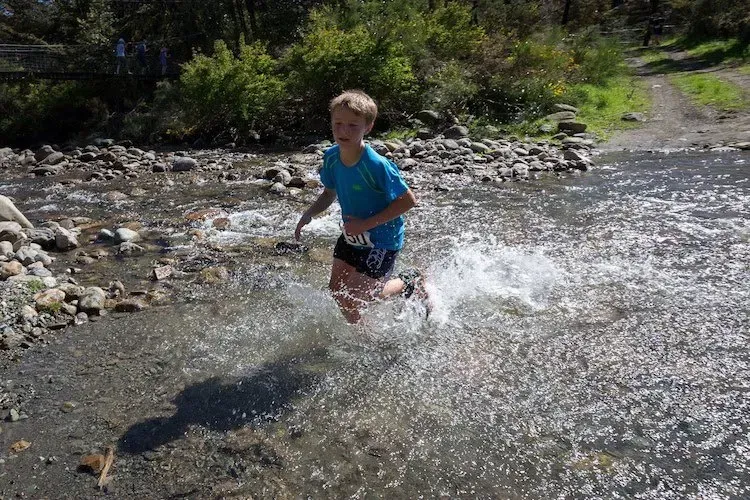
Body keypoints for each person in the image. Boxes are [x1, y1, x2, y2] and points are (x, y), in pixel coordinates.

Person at [295, 90, 427, 324]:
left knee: (358, 295)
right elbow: (329, 192)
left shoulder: (377, 165)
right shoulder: (331, 157)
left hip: (382, 240)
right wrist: (309, 213)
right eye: (338, 124)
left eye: (353, 125)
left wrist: (365, 224)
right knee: (338, 292)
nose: (344, 131)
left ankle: (410, 281)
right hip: (352, 235)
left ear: (368, 127)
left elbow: (408, 201)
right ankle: (361, 336)